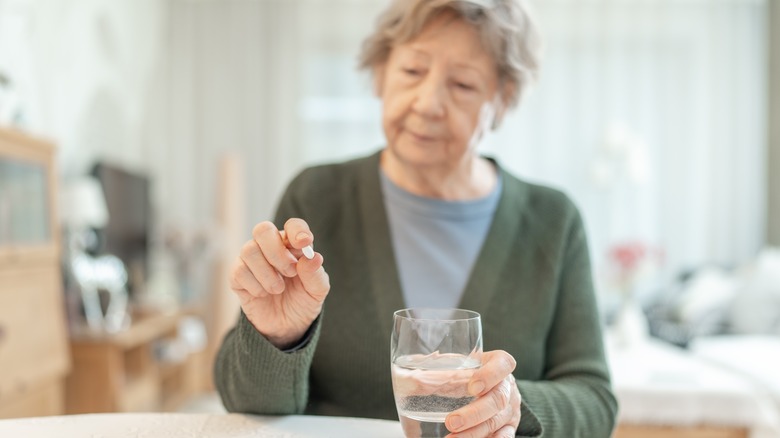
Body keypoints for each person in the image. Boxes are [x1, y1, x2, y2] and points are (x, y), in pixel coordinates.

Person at [214, 0, 618, 436]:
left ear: (502, 99)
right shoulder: (317, 196)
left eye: (462, 84)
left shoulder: (553, 221)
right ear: (380, 74)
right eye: (411, 71)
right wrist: (277, 339)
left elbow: (595, 401)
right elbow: (247, 404)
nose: (427, 104)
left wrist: (515, 405)